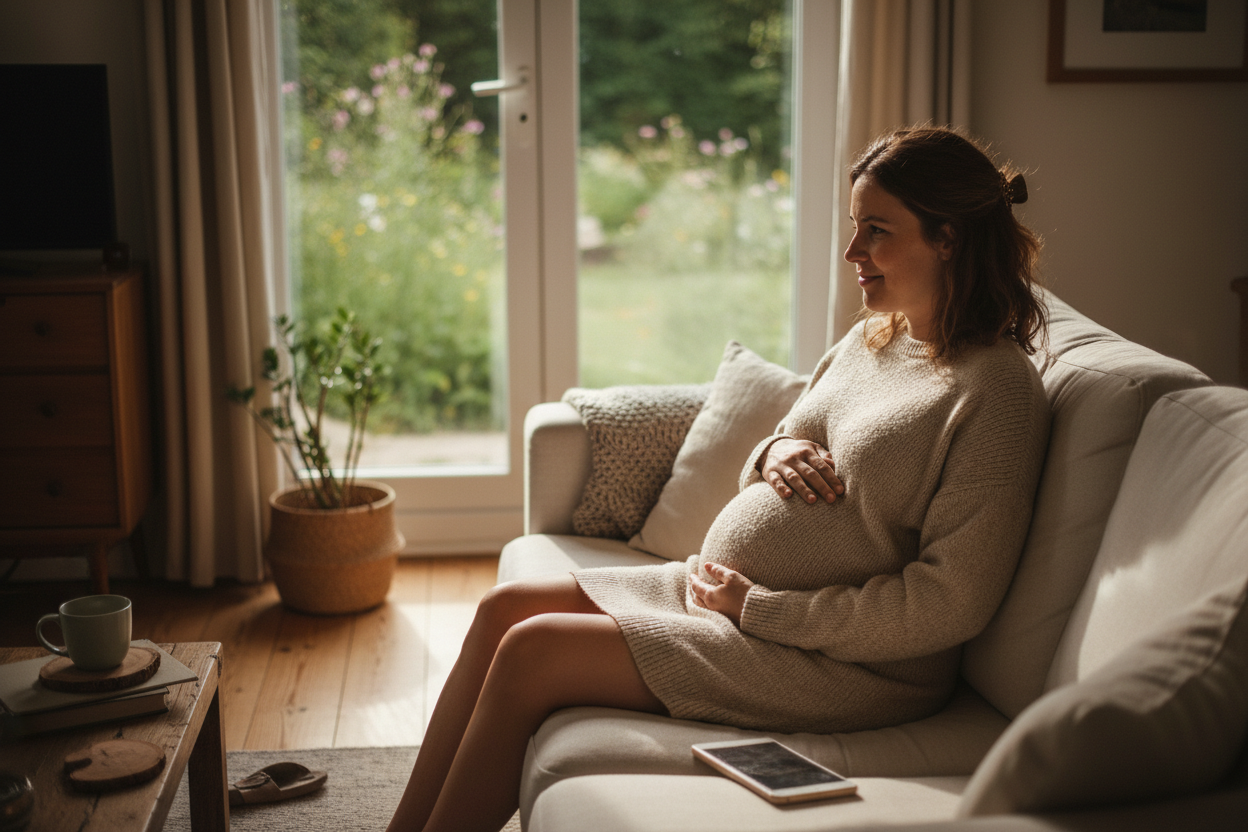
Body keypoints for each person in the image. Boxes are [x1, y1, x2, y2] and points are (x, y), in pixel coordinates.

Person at [385, 126, 1051, 832]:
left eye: (877, 232)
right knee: (503, 610)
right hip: (727, 600)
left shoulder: (997, 393)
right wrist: (774, 452)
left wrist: (759, 609)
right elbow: (780, 442)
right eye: (854, 227)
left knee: (533, 651)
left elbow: (948, 605)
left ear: (947, 238)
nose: (853, 253)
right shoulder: (874, 337)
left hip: (841, 665)